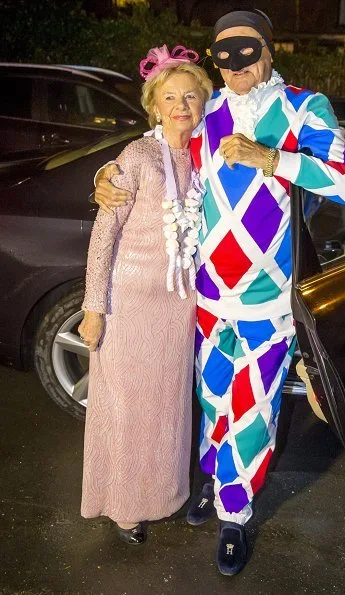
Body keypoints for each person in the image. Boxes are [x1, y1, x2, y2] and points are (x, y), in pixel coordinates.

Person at [94, 10, 345, 574]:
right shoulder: (211, 108)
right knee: (213, 400)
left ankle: (235, 518)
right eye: (224, 55)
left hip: (268, 301)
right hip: (207, 298)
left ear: (268, 51)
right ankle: (214, 485)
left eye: (247, 51)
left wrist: (271, 159)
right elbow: (161, 141)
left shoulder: (303, 106)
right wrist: (104, 179)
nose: (237, 65)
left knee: (253, 411)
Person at [79, 45, 213, 546]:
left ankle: (164, 495)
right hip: (128, 303)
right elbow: (103, 235)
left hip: (179, 307)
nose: (182, 105)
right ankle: (124, 506)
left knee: (167, 409)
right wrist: (94, 308)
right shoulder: (136, 156)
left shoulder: (206, 158)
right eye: (171, 97)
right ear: (154, 105)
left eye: (192, 96)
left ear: (203, 104)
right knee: (127, 409)